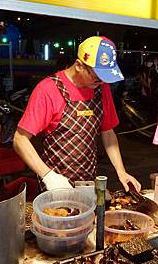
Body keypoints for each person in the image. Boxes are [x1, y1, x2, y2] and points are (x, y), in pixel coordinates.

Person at [13, 36, 141, 192]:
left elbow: (108, 132)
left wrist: (121, 172)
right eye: (97, 77)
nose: (101, 82)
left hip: (88, 182)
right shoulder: (48, 90)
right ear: (79, 65)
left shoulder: (101, 88)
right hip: (55, 183)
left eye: (104, 79)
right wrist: (48, 176)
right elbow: (20, 139)